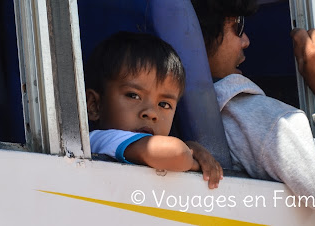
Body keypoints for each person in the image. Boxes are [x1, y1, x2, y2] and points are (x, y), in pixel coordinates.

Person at [125, 0, 315, 224]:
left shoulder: (117, 105)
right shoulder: (248, 116)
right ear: (194, 28)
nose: (246, 40)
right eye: (237, 26)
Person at [84, 31, 223, 189]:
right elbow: (176, 153)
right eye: (133, 95)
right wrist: (193, 155)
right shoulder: (98, 140)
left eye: (164, 104)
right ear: (94, 105)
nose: (151, 112)